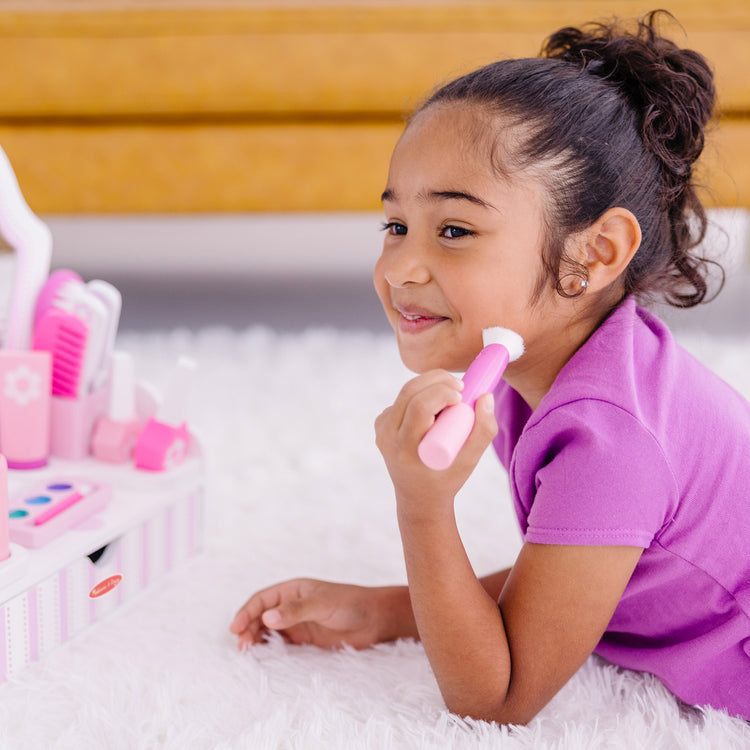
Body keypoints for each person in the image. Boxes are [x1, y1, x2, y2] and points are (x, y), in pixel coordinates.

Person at [230, 11, 750, 724]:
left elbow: (498, 697)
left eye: (454, 230)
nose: (400, 267)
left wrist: (423, 505)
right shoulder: (544, 366)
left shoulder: (612, 438)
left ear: (592, 255)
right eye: (395, 226)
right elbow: (589, 567)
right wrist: (386, 611)